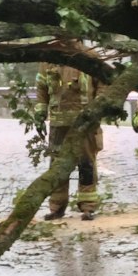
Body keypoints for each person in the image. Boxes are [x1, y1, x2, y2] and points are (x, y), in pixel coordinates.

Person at [37, 59, 101, 220]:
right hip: (58, 124)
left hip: (85, 122)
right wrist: (40, 112)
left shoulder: (88, 57)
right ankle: (56, 207)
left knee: (86, 163)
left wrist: (99, 108)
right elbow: (41, 89)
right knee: (57, 166)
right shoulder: (49, 60)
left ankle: (88, 207)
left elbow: (103, 85)